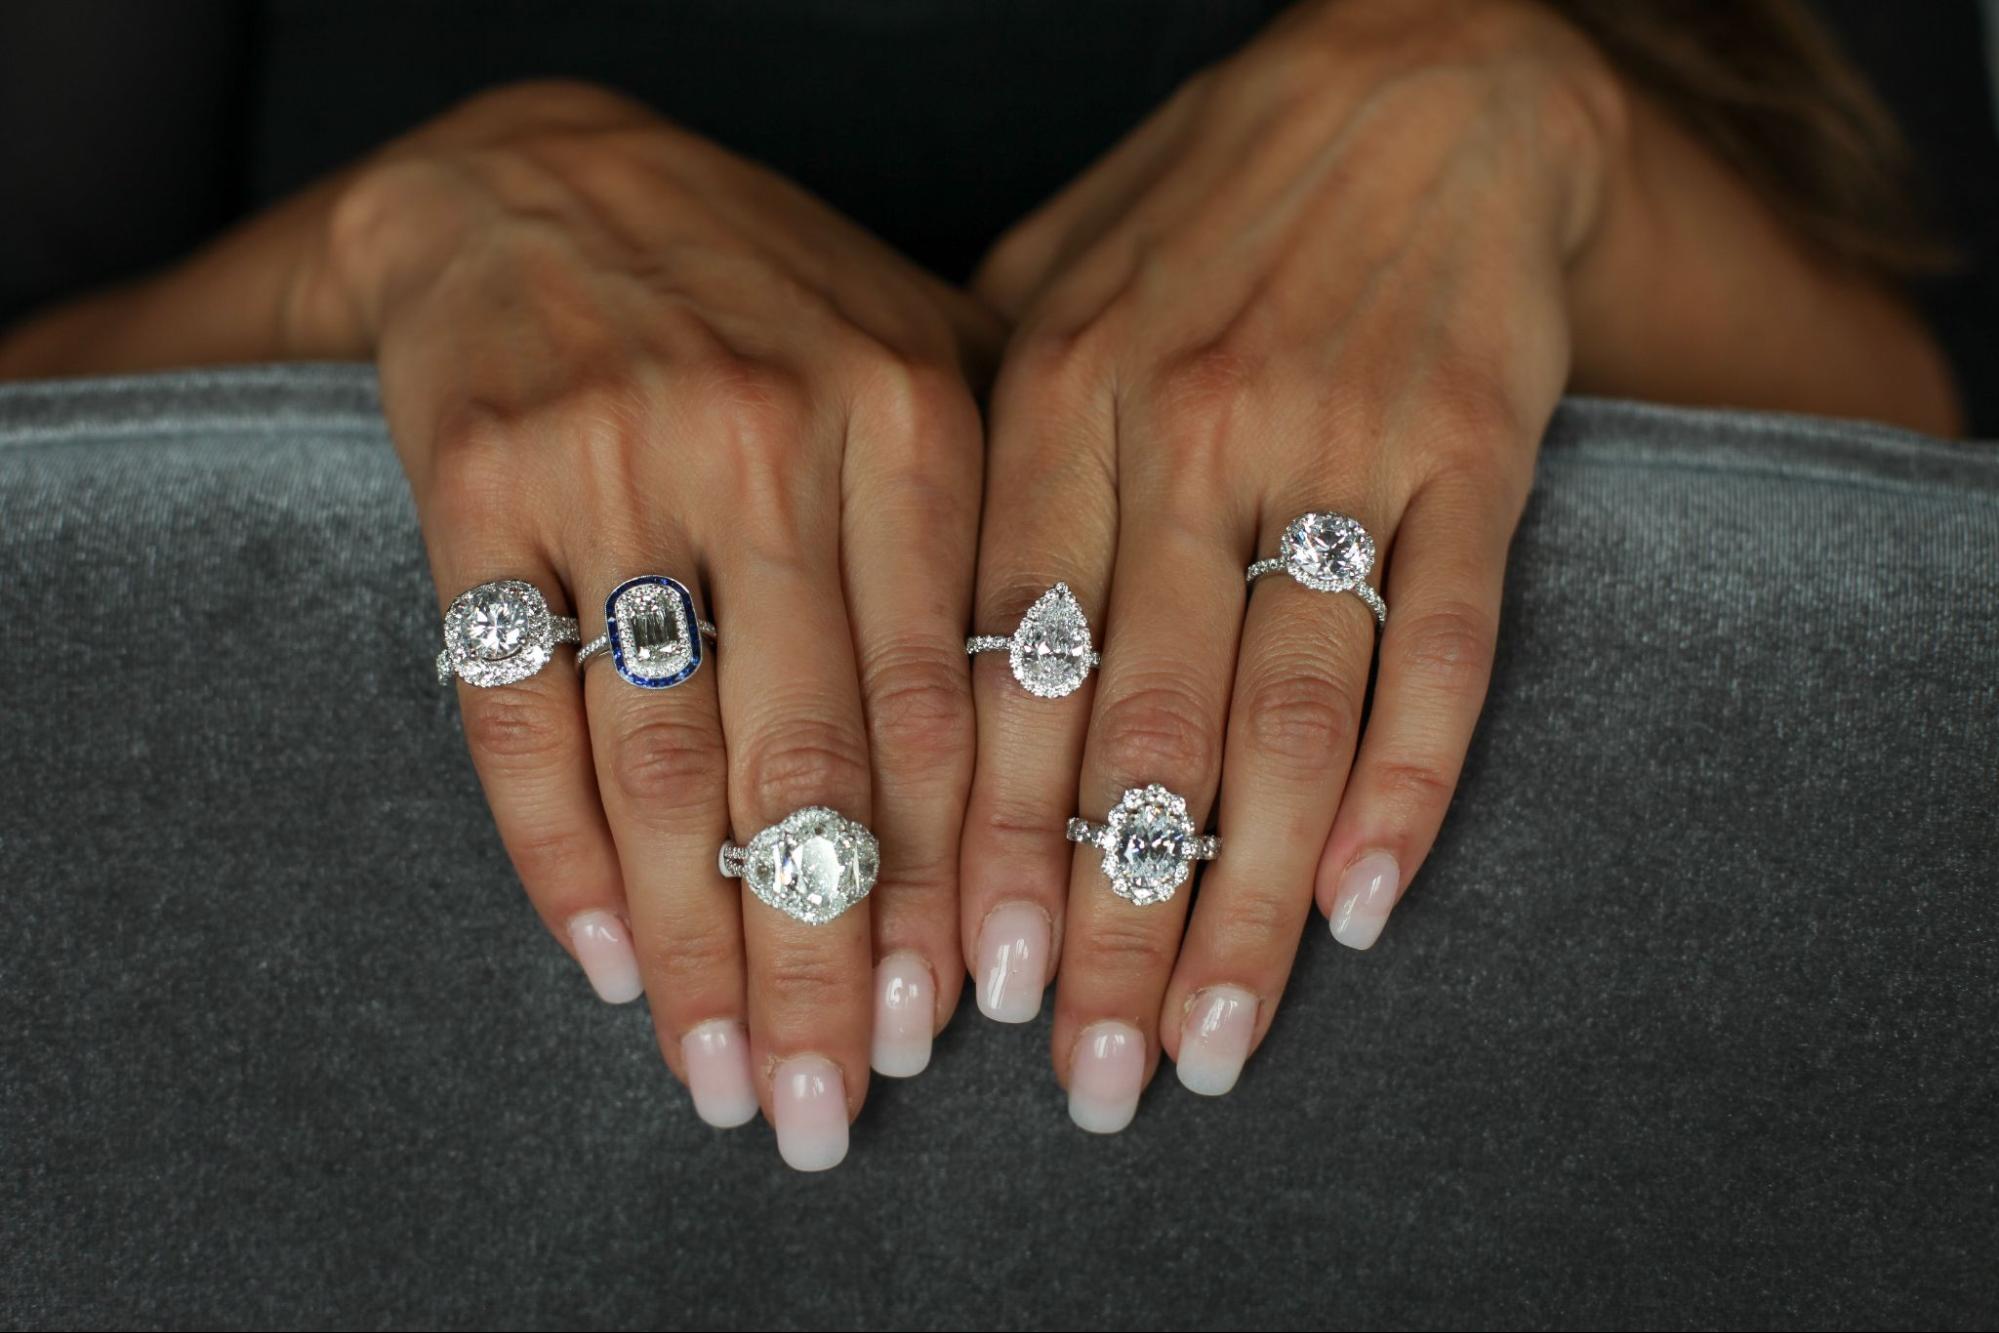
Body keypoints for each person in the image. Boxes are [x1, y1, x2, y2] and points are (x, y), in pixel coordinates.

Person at [0, 0, 1969, 1172]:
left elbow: (1943, 412)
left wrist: (1546, 124)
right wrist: (407, 227)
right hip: (346, 1123)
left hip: (1612, 1137)